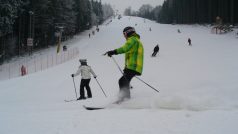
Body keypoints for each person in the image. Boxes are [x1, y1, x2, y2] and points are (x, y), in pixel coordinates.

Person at [105, 26, 144, 103]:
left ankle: (124, 99)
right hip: (134, 66)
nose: (124, 36)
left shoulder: (132, 40)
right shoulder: (136, 40)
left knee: (122, 81)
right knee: (124, 81)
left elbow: (125, 48)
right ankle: (125, 99)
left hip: (134, 66)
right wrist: (126, 67)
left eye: (124, 34)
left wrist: (113, 51)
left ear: (128, 32)